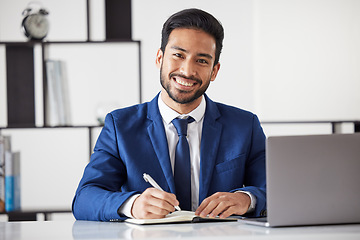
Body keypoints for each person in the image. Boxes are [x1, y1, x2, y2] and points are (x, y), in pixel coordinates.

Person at [72, 8, 266, 222]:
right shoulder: (120, 126)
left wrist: (247, 199)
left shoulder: (245, 126)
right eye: (178, 55)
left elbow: (276, 190)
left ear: (214, 71)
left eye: (201, 61)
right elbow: (85, 198)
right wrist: (132, 205)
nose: (187, 71)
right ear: (159, 58)